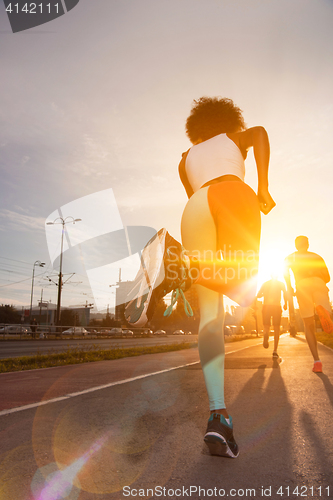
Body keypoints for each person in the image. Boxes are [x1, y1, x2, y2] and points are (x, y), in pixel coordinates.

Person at [125, 97, 275, 458]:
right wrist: (264, 186)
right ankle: (179, 263)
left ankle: (218, 415)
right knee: (243, 282)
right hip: (232, 193)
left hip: (194, 209)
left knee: (210, 318)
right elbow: (261, 134)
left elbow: (195, 195)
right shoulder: (236, 135)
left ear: (196, 127)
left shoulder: (185, 158)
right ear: (228, 119)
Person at [284, 235, 333, 373]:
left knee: (308, 325)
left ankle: (317, 362)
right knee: (326, 311)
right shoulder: (317, 257)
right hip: (318, 282)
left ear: (296, 245)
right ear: (308, 244)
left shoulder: (290, 257)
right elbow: (327, 278)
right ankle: (324, 313)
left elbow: (285, 273)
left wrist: (290, 288)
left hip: (302, 285)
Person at [257, 276, 287, 358]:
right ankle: (275, 351)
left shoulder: (265, 284)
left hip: (266, 306)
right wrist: (286, 304)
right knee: (276, 328)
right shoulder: (281, 284)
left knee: (266, 326)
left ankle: (266, 333)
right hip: (276, 306)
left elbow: (258, 295)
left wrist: (265, 294)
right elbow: (285, 293)